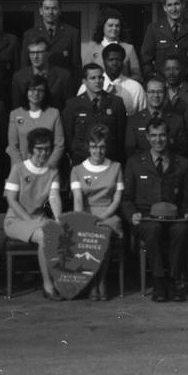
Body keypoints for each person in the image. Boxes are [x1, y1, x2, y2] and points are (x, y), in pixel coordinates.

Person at [122, 118, 188, 302]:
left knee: (182, 230)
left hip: (174, 217)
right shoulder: (135, 163)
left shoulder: (182, 163)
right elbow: (127, 198)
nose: (158, 139)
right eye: (153, 135)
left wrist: (187, 211)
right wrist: (132, 215)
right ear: (147, 137)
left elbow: (186, 197)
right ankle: (159, 281)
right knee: (154, 230)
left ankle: (175, 279)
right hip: (146, 218)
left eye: (162, 135)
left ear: (169, 136)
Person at [4, 128, 63, 300]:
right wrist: (30, 220)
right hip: (16, 220)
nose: (43, 153)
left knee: (59, 233)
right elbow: (12, 201)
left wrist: (59, 219)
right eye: (39, 149)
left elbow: (53, 197)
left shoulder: (53, 172)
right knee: (45, 236)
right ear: (31, 149)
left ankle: (64, 282)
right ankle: (48, 285)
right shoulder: (18, 169)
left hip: (40, 218)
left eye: (47, 149)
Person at [71, 125, 125, 301]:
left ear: (106, 147)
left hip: (108, 214)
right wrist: (82, 220)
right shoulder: (77, 170)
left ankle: (101, 281)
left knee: (104, 233)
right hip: (86, 213)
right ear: (88, 147)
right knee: (90, 234)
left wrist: (102, 217)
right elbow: (78, 200)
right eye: (94, 146)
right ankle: (93, 282)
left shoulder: (116, 167)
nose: (98, 151)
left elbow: (116, 199)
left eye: (101, 146)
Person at [62, 63, 127, 165]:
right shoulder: (73, 105)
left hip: (109, 160)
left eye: (100, 77)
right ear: (84, 81)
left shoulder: (116, 103)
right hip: (81, 161)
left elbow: (121, 135)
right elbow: (68, 136)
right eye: (93, 78)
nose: (98, 81)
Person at [141, 0, 188, 86]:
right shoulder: (154, 29)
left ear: (183, 5)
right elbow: (146, 58)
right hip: (162, 85)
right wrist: (152, 78)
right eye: (169, 5)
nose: (174, 9)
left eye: (176, 4)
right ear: (164, 8)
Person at [6, 75, 65, 170]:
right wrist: (23, 168)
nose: (36, 93)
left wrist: (48, 166)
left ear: (45, 93)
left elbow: (59, 144)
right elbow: (12, 146)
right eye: (32, 89)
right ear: (26, 91)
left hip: (47, 169)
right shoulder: (15, 114)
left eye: (40, 90)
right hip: (22, 170)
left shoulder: (54, 113)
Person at [77, 43, 146, 116]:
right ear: (104, 61)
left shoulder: (135, 88)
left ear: (123, 62)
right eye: (111, 60)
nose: (114, 63)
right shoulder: (87, 86)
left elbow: (142, 117)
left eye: (118, 60)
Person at [20, 0, 81, 77]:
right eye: (47, 8)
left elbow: (76, 66)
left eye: (54, 8)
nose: (50, 12)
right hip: (38, 84)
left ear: (60, 11)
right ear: (41, 11)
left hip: (62, 84)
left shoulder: (72, 33)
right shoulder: (30, 34)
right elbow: (25, 65)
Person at [126, 77, 187, 158]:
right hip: (142, 168)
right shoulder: (134, 120)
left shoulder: (177, 120)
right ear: (146, 94)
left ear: (165, 94)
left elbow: (181, 150)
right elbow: (131, 151)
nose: (156, 95)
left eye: (160, 92)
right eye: (151, 92)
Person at [11, 36, 75, 111]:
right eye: (32, 53)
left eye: (39, 52)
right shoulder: (19, 77)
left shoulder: (63, 76)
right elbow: (16, 108)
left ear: (48, 53)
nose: (35, 56)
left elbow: (69, 108)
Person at [82, 7, 142, 80]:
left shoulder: (129, 48)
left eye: (117, 26)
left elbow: (137, 75)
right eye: (110, 25)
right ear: (102, 27)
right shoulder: (92, 49)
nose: (114, 28)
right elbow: (85, 75)